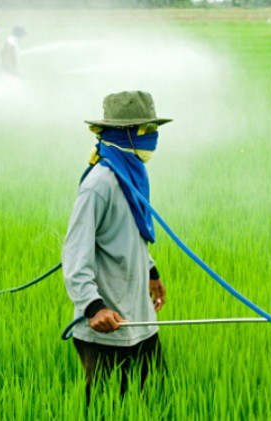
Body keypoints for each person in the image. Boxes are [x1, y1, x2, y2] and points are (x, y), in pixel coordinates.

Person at [62, 91, 172, 405]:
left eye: (153, 129)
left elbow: (131, 231)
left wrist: (151, 270)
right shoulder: (99, 184)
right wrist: (93, 308)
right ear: (124, 133)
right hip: (108, 327)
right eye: (145, 130)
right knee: (107, 407)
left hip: (142, 320)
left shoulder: (132, 173)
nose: (153, 137)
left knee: (154, 401)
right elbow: (74, 253)